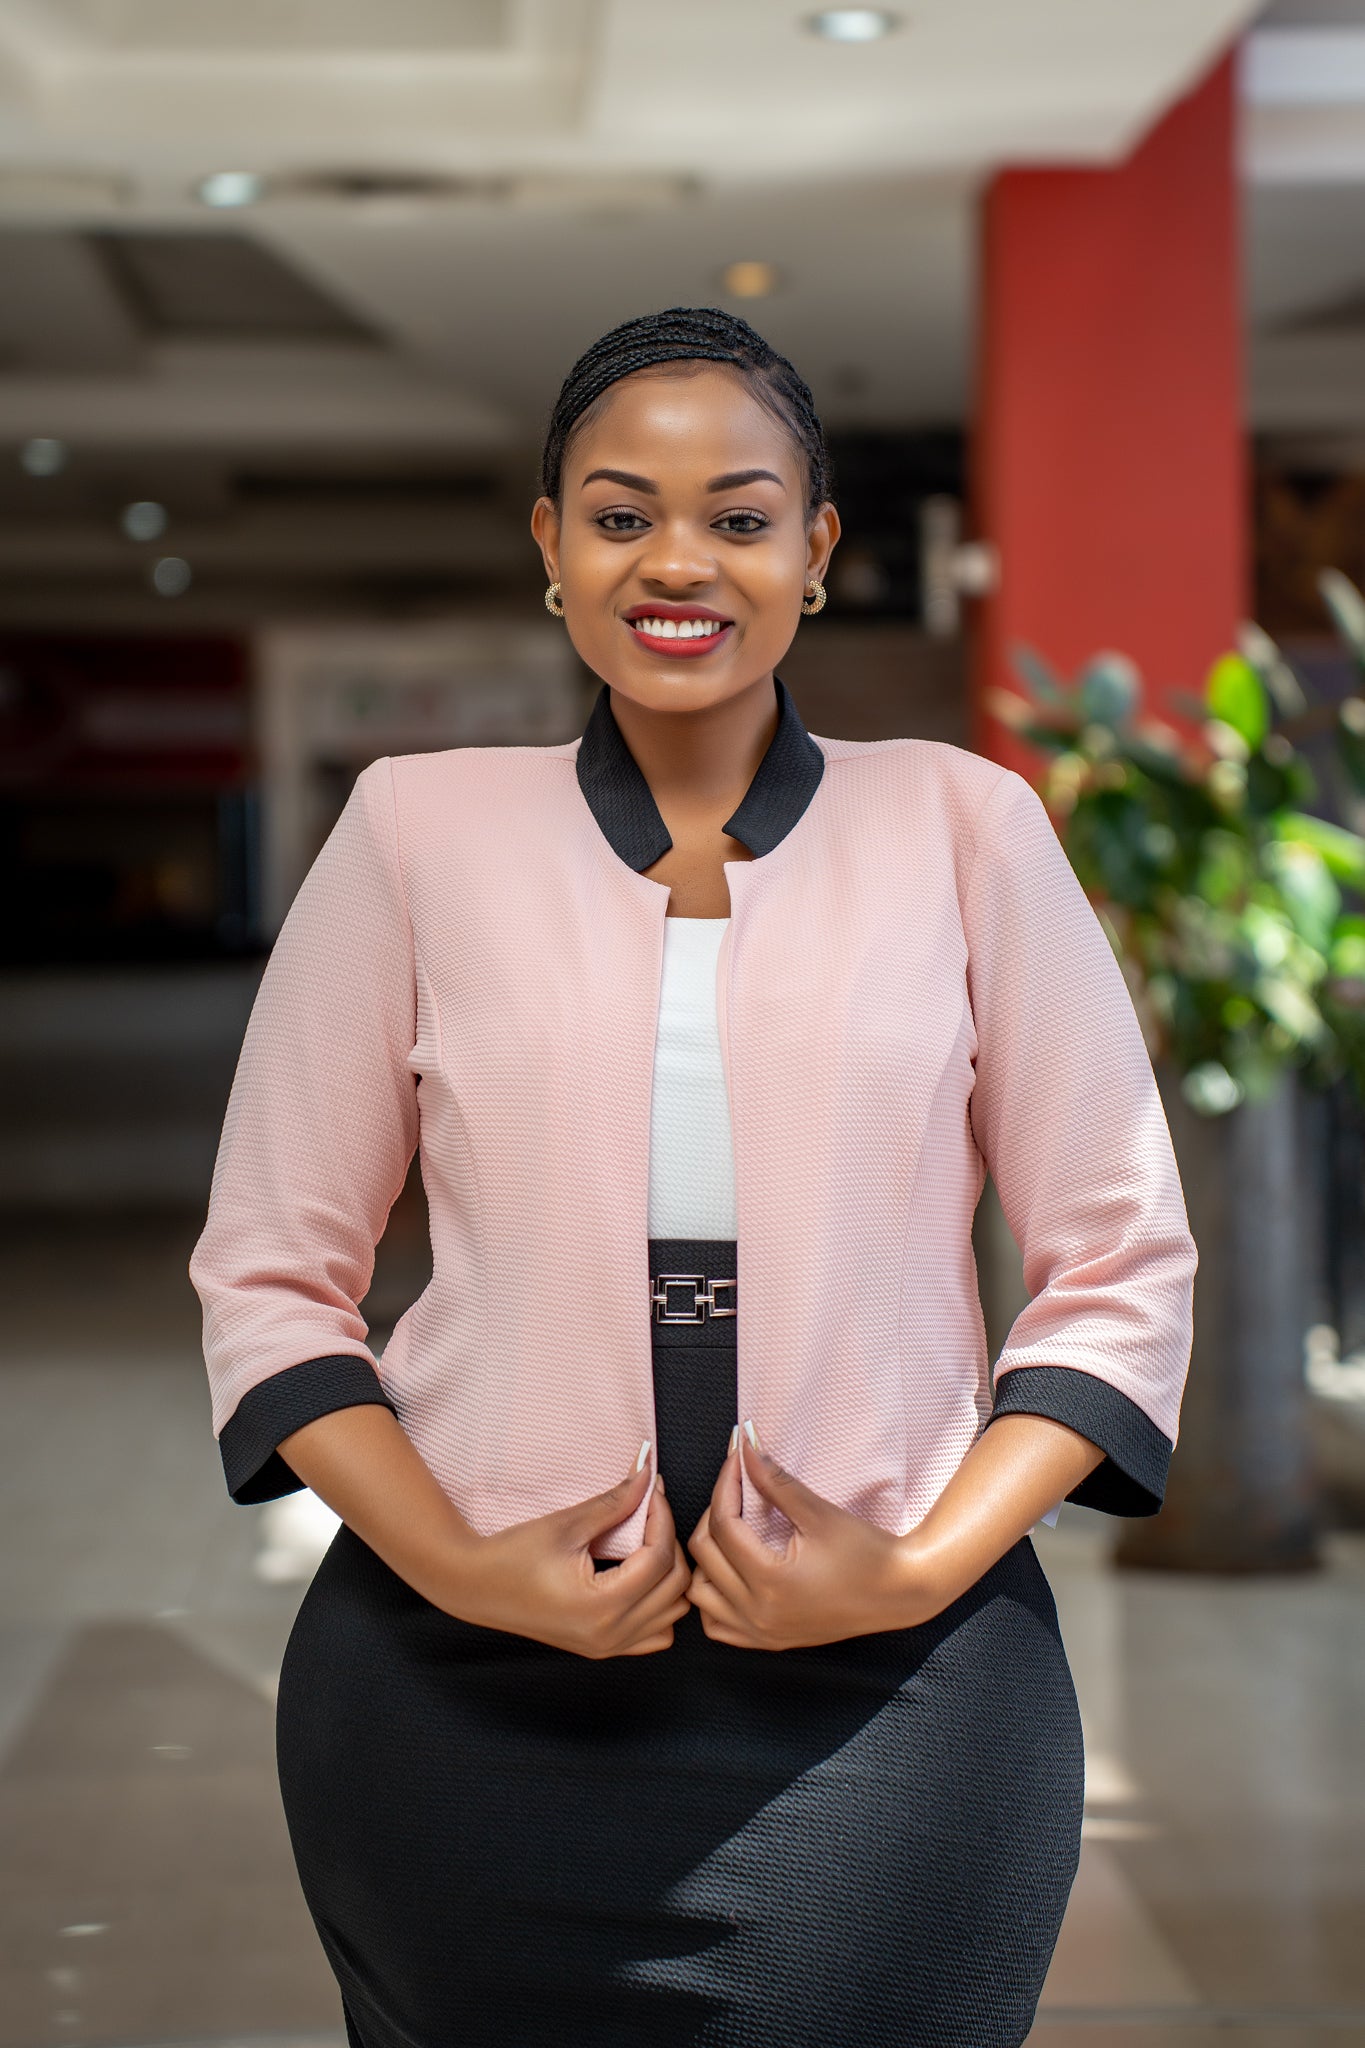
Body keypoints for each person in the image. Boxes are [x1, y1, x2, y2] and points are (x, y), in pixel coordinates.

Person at [188, 306, 1197, 2048]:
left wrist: (910, 1567)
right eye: (618, 513)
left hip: (902, 1677)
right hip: (460, 1682)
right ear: (550, 550)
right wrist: (455, 1563)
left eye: (737, 518)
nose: (678, 562)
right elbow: (271, 1273)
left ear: (814, 553)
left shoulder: (964, 826)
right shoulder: (417, 830)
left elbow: (1121, 1263)